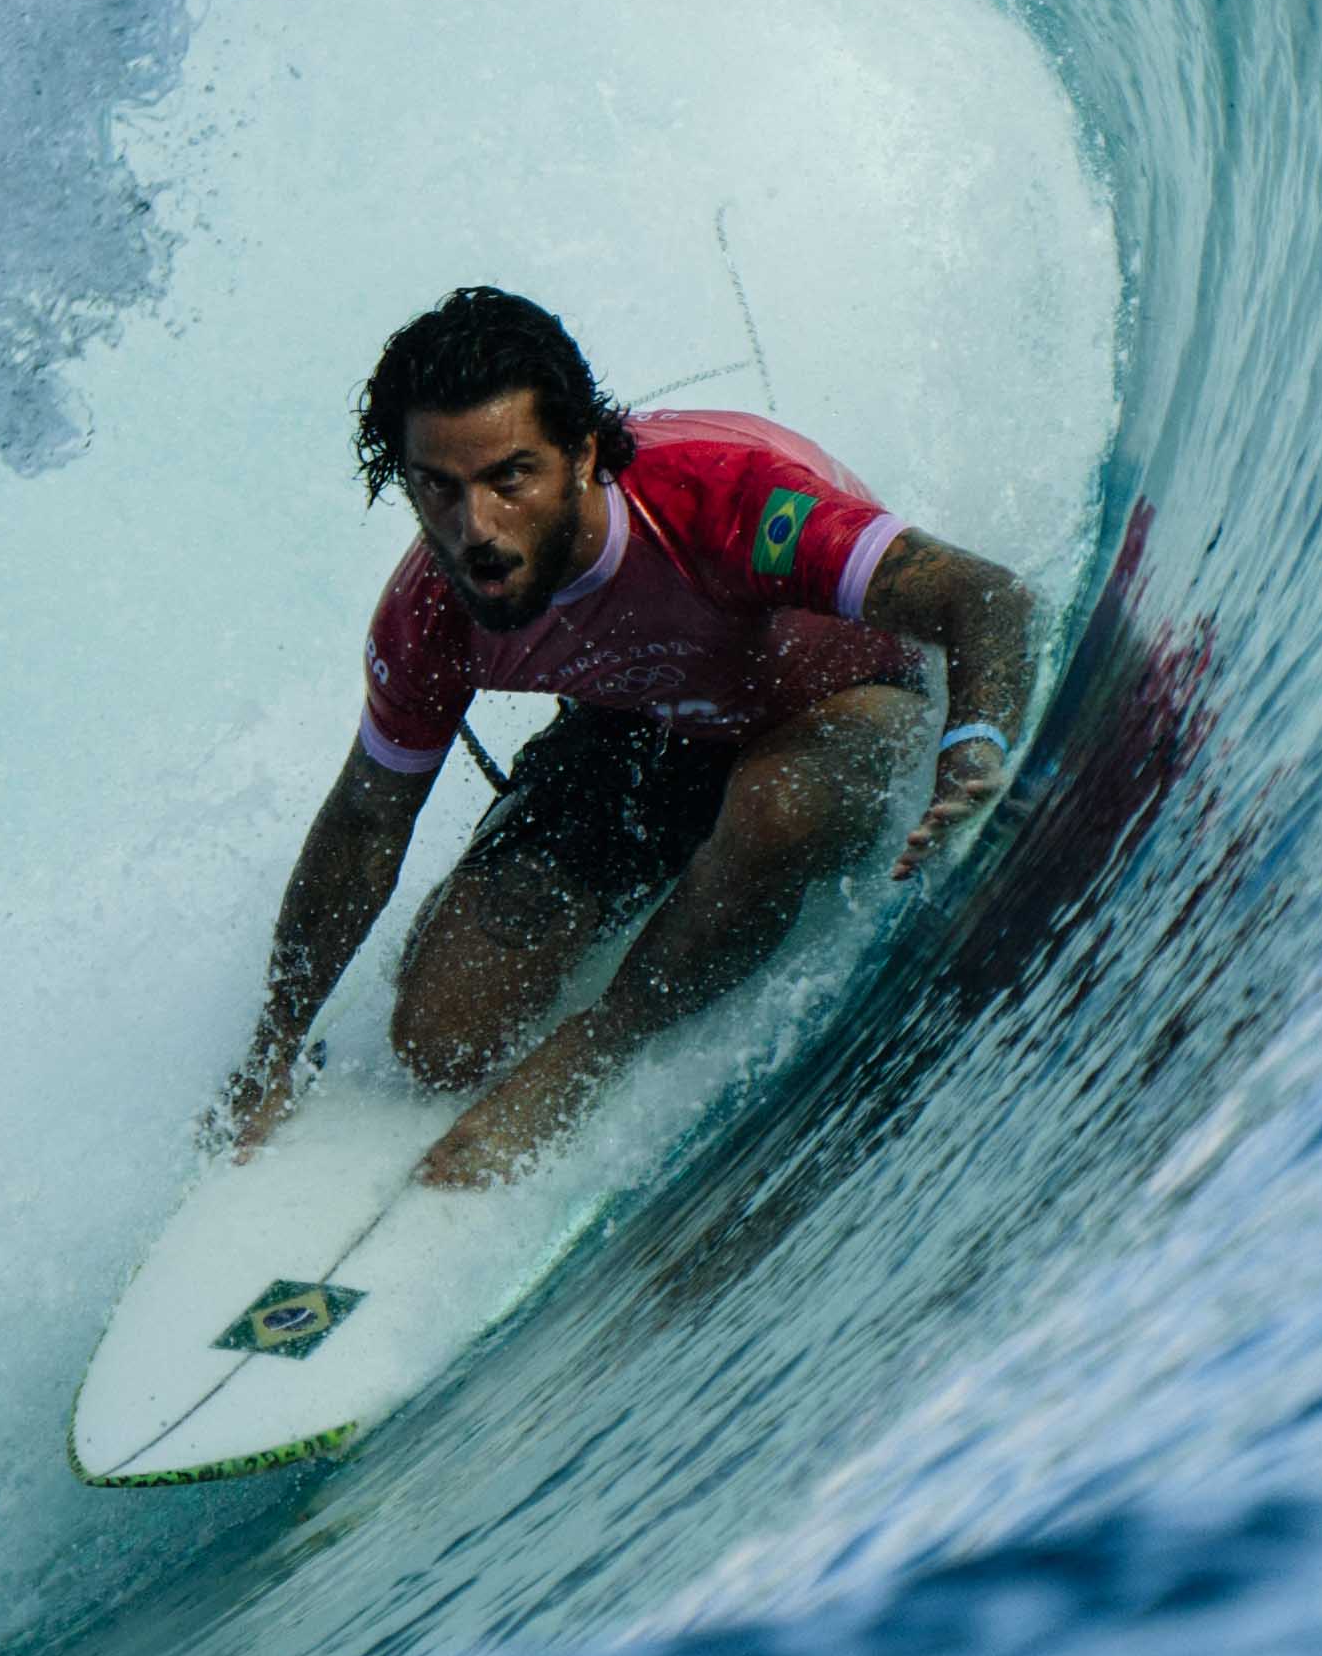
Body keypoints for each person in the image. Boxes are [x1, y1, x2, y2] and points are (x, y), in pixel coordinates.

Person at [210, 285, 1042, 1188]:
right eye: (437, 489)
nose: (475, 529)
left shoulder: (718, 502)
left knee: (781, 807)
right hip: (645, 727)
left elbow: (984, 596)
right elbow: (369, 822)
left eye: (509, 478)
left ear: (584, 452)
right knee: (439, 1040)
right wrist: (273, 1047)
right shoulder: (431, 615)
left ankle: (595, 1047)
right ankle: (676, 879)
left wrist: (974, 743)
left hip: (836, 703)